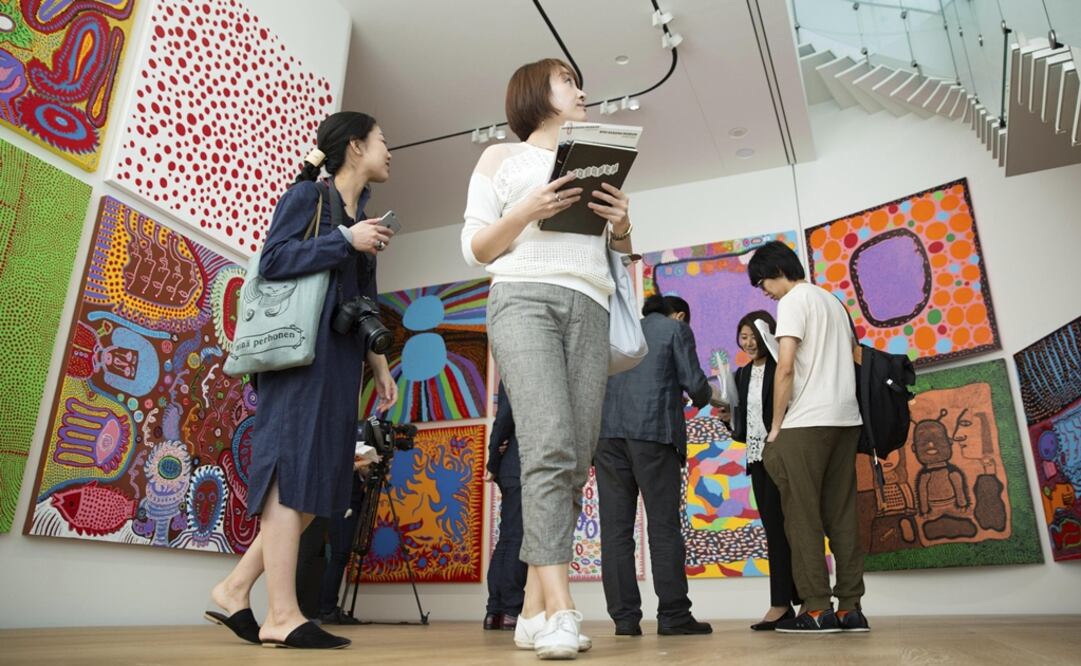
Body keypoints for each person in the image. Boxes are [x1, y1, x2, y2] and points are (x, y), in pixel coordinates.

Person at [461, 58, 634, 660]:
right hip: (522, 299)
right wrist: (526, 211)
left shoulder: (593, 161)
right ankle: (561, 608)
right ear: (537, 93)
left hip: (590, 305)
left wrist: (624, 226)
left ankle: (532, 611)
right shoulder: (498, 160)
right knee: (550, 445)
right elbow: (476, 247)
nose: (581, 90)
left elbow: (620, 259)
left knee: (576, 457)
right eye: (568, 81)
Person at [205, 112, 399, 650]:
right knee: (293, 474)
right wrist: (344, 239)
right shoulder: (310, 200)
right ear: (356, 147)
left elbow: (362, 301)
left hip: (337, 362)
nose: (390, 151)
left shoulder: (361, 218)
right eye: (384, 141)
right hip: (296, 358)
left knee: (321, 481)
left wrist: (379, 364)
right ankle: (281, 616)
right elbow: (274, 258)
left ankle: (235, 586)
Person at [747, 240, 869, 634]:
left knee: (801, 518)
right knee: (842, 515)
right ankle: (851, 608)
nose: (763, 290)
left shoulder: (793, 302)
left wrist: (776, 427)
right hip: (846, 420)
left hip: (806, 423)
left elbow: (785, 368)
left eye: (762, 281)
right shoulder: (833, 302)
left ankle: (816, 609)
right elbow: (855, 357)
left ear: (775, 270)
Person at [595, 294, 714, 637]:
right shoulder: (675, 330)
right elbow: (696, 386)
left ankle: (625, 619)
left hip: (606, 439)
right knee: (663, 528)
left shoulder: (616, 330)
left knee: (615, 532)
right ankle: (674, 615)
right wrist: (707, 396)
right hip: (653, 435)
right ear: (678, 314)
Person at [725, 311, 802, 630]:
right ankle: (782, 604)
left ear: (768, 335)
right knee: (775, 531)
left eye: (754, 335)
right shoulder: (741, 375)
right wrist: (728, 417)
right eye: (743, 336)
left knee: (799, 528)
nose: (749, 342)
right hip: (757, 458)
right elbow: (742, 428)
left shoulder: (783, 367)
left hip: (787, 454)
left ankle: (812, 599)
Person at [484, 382, 528, 632]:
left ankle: (495, 611)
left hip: (511, 464)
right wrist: (492, 461)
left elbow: (503, 421)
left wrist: (496, 459)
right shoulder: (524, 364)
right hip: (520, 464)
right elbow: (504, 418)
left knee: (507, 539)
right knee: (517, 539)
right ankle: (511, 609)